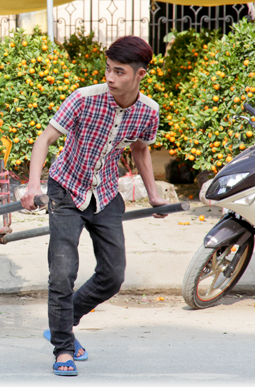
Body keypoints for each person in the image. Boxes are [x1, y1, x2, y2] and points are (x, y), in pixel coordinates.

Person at [20, 35, 168, 376]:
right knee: (62, 272)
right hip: (65, 190)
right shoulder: (84, 99)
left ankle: (64, 321)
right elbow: (45, 139)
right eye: (107, 70)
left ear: (140, 74)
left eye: (119, 72)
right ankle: (63, 349)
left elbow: (141, 150)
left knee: (113, 275)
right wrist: (32, 185)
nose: (111, 78)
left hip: (105, 195)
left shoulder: (148, 111)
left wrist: (154, 194)